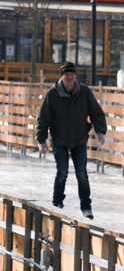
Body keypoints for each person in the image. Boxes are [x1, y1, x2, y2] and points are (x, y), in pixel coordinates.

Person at [36, 61, 107, 219]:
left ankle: (86, 206)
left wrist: (100, 131)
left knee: (81, 173)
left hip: (79, 139)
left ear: (75, 76)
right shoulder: (53, 94)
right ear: (62, 76)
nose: (69, 77)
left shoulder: (84, 92)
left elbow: (96, 112)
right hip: (59, 140)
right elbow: (43, 118)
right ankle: (57, 203)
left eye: (72, 74)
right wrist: (42, 140)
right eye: (66, 74)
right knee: (62, 172)